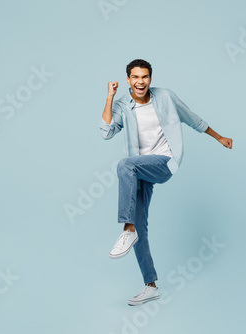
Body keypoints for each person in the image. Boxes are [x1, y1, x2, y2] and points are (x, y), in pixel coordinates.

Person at [99, 59, 232, 306]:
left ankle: (126, 229)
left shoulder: (166, 97)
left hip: (163, 162)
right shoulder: (122, 106)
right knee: (141, 227)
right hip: (139, 169)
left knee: (124, 164)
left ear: (151, 79)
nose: (141, 82)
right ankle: (150, 286)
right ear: (128, 80)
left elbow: (192, 118)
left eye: (145, 77)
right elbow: (106, 131)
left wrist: (219, 137)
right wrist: (109, 97)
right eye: (136, 77)